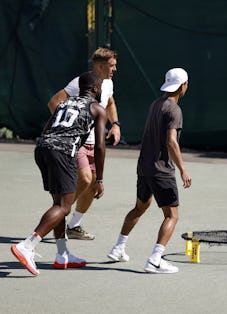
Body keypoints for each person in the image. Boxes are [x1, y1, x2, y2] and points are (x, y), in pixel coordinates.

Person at [11, 72, 107, 276]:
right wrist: (99, 179)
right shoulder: (97, 108)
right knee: (64, 206)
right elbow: (100, 146)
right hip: (63, 153)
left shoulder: (64, 103)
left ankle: (62, 255)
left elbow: (48, 128)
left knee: (59, 203)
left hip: (43, 149)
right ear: (96, 89)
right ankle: (27, 245)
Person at [107, 68, 192, 274]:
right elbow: (172, 141)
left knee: (139, 207)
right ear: (183, 86)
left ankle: (118, 248)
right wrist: (183, 169)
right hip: (161, 170)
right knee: (172, 216)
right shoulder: (174, 110)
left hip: (144, 167)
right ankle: (155, 259)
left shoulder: (156, 104)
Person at [47, 48, 120, 240]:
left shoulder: (108, 83)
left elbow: (110, 103)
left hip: (94, 143)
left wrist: (116, 125)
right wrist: (69, 129)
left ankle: (74, 225)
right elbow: (54, 102)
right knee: (86, 179)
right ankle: (59, 212)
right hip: (77, 143)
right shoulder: (78, 83)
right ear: (101, 65)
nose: (115, 68)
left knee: (93, 186)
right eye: (112, 65)